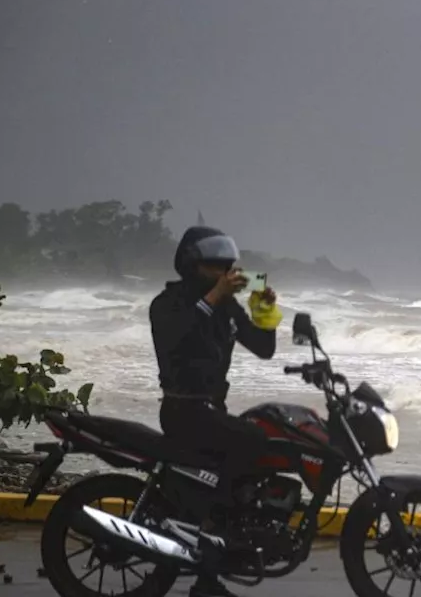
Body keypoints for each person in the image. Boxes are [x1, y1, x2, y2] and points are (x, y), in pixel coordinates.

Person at [149, 225, 283, 597]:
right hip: (184, 411)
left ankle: (211, 565)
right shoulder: (169, 304)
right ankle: (216, 530)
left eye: (228, 267)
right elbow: (183, 336)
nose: (226, 274)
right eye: (215, 267)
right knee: (252, 439)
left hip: (210, 411)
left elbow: (263, 348)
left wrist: (265, 312)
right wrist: (215, 297)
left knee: (262, 433)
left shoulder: (225, 307)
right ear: (192, 266)